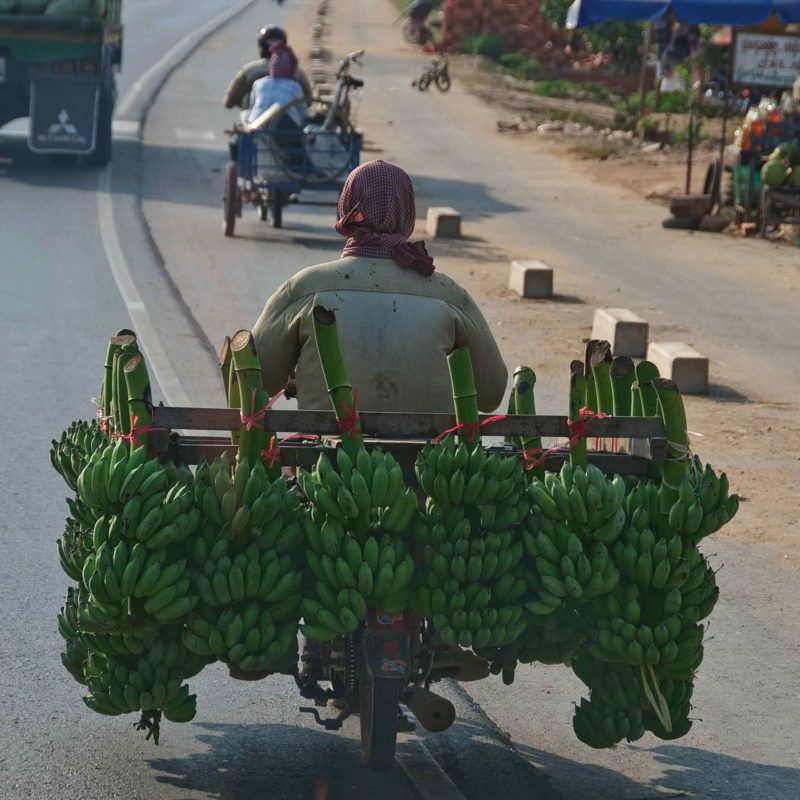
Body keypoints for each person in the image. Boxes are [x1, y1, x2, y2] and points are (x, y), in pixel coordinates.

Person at [252, 160, 507, 414]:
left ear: (346, 207)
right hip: (431, 452)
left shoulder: (304, 288)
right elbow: (490, 394)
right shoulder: (449, 294)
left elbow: (258, 381)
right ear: (407, 211)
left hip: (326, 453)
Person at [223, 24, 313, 111]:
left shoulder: (249, 71)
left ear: (261, 47)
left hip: (255, 121)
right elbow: (308, 101)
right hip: (290, 123)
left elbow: (229, 102)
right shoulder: (297, 72)